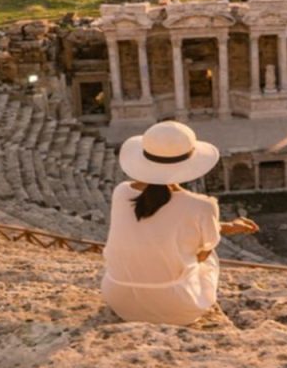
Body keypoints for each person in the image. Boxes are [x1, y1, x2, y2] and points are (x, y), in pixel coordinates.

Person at [101, 121, 258, 325]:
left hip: (120, 300)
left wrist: (226, 226)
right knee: (208, 254)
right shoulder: (203, 206)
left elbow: (160, 223)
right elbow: (202, 254)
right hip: (176, 307)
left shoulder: (121, 192)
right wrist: (217, 228)